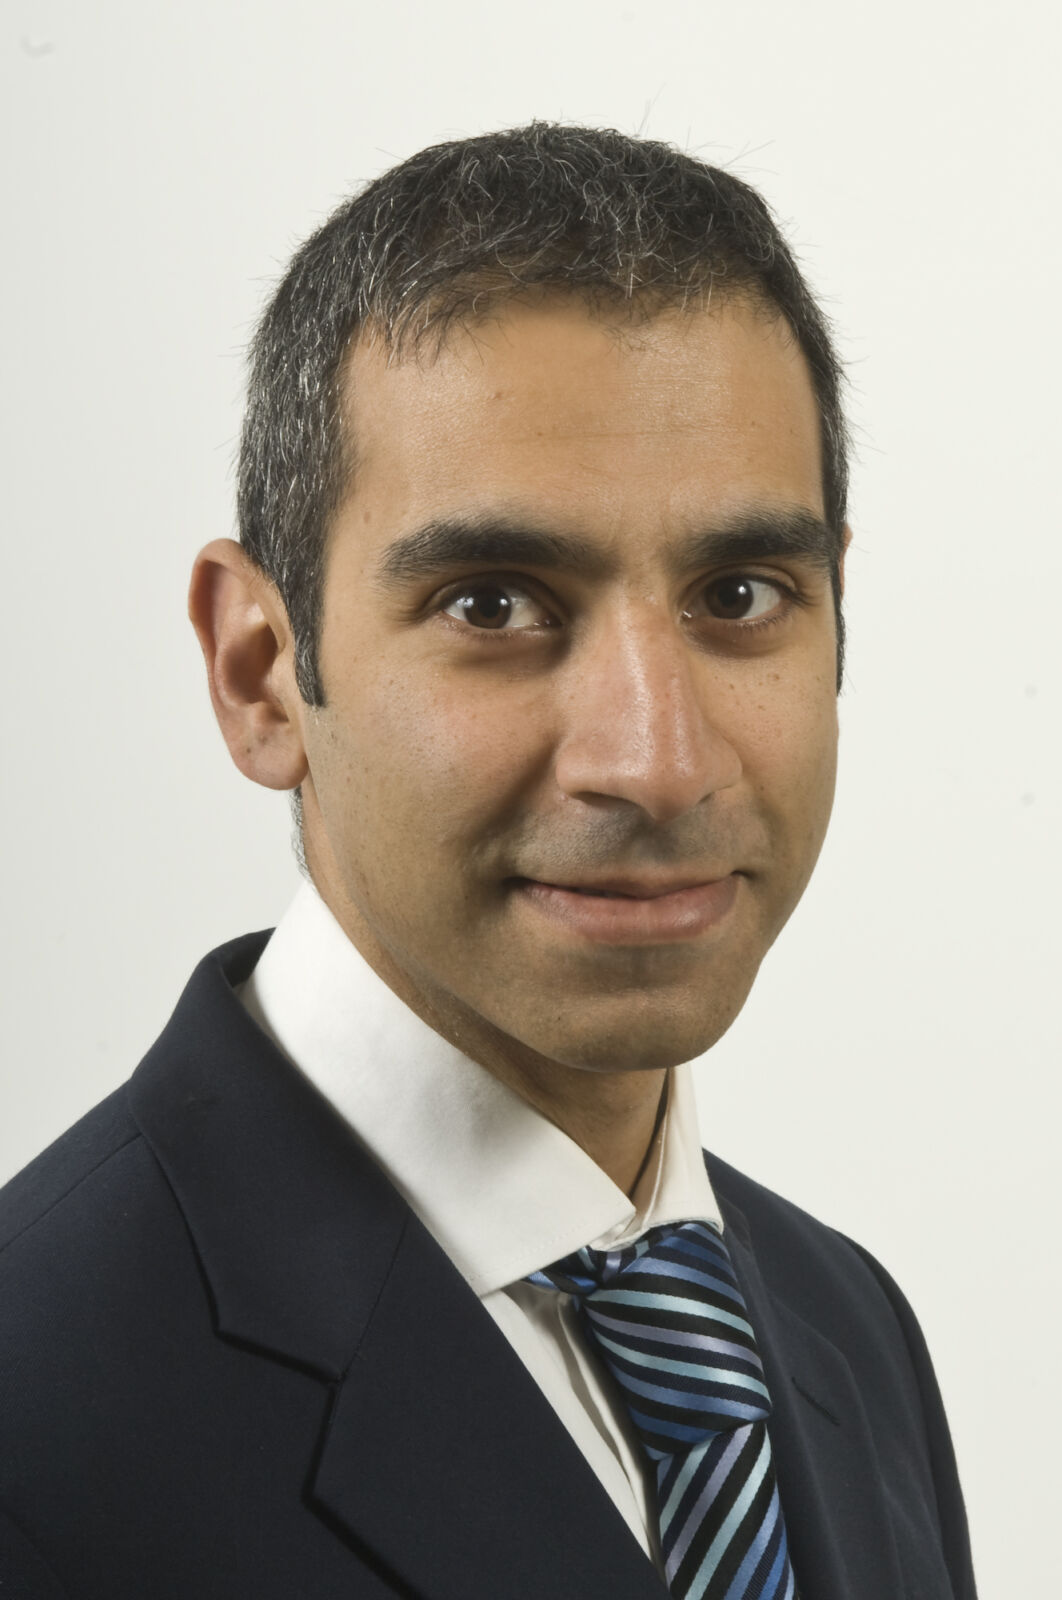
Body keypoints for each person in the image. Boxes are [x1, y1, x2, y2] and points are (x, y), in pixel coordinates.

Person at [0, 123, 976, 1600]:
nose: (656, 760)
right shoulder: (33, 1423)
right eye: (494, 605)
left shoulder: (846, 1326)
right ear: (261, 674)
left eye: (738, 593)